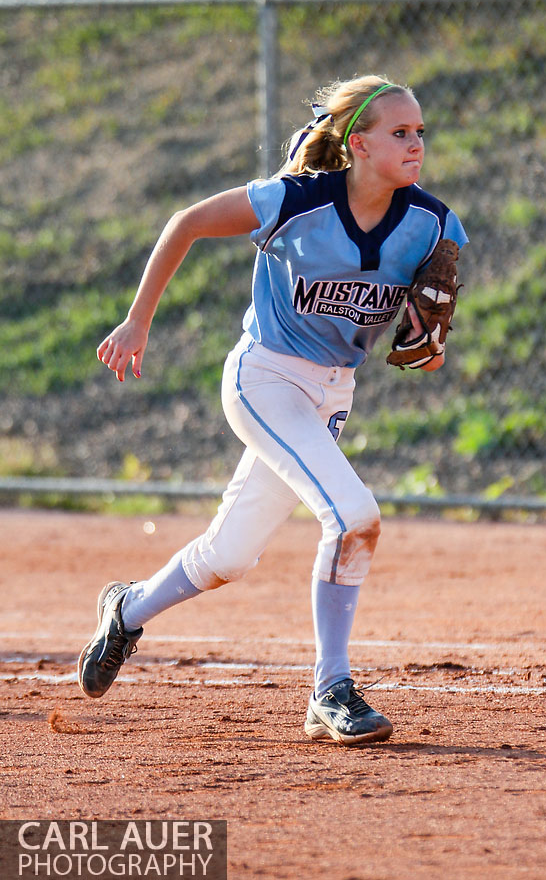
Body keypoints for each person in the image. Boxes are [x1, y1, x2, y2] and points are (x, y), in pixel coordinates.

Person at [78, 75, 468, 745]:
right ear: (358, 143)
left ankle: (127, 609)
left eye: (420, 133)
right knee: (353, 518)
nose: (415, 145)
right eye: (399, 132)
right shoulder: (295, 201)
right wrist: (137, 321)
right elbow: (187, 224)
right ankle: (330, 688)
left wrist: (424, 344)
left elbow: (422, 349)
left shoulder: (431, 224)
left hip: (331, 391)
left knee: (228, 556)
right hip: (264, 380)